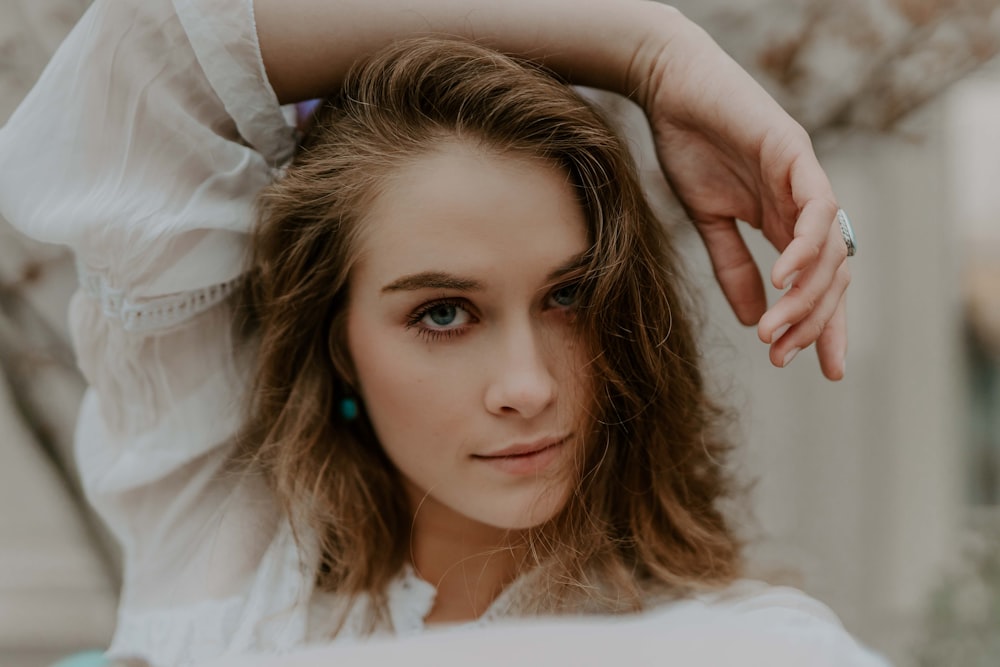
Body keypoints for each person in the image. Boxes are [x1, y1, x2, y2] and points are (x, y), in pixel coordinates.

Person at [0, 1, 861, 665]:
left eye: (568, 297)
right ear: (338, 336)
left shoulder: (745, 644)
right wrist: (646, 47)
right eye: (442, 313)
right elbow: (154, 53)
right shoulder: (230, 547)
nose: (527, 386)